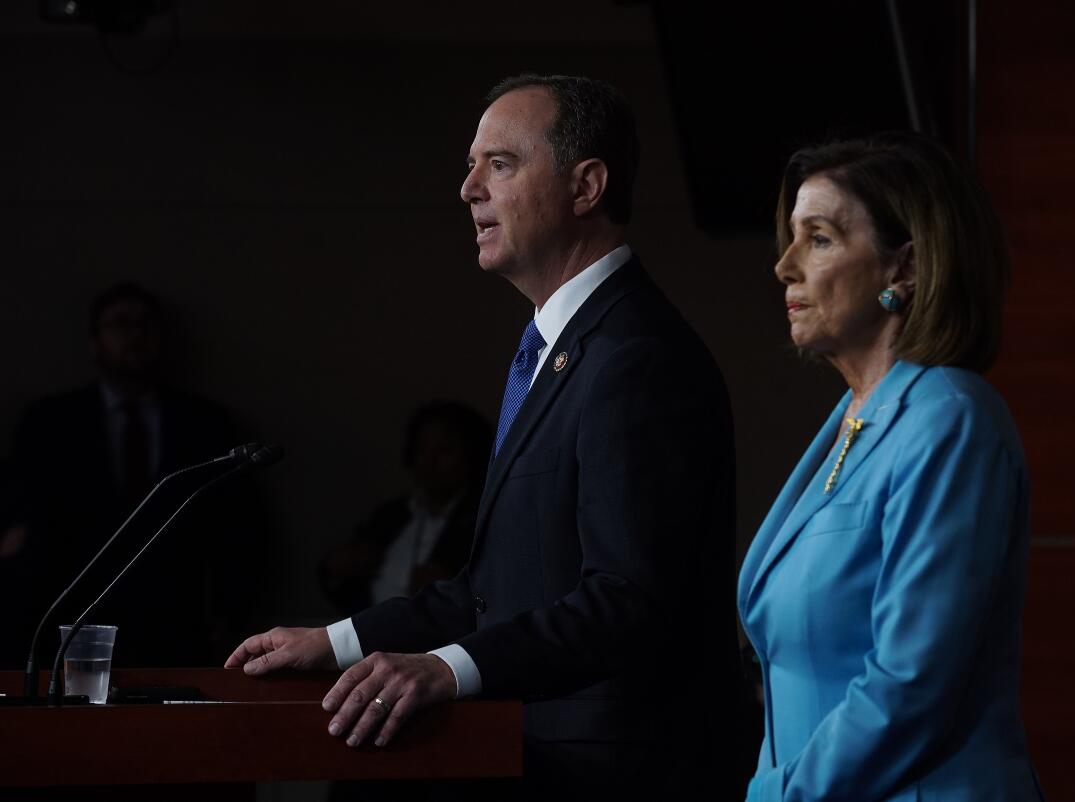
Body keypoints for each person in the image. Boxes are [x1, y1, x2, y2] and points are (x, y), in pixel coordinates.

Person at [226, 74, 741, 800]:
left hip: (622, 774)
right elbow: (490, 592)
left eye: (499, 164)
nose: (469, 188)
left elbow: (630, 597)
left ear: (585, 186)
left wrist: (447, 669)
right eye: (471, 166)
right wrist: (334, 642)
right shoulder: (558, 348)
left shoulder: (637, 356)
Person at [737, 132, 1045, 801]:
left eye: (817, 238)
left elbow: (911, 683)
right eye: (791, 238)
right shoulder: (854, 418)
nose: (785, 266)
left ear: (903, 268)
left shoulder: (951, 421)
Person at [7, 281, 267, 669]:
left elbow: (235, 525)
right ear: (95, 342)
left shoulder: (203, 421)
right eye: (120, 324)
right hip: (70, 614)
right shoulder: (50, 422)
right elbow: (25, 521)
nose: (135, 335)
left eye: (146, 325)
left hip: (176, 613)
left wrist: (230, 613)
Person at [318, 400, 490, 617]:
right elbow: (343, 586)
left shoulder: (481, 518)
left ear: (471, 455)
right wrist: (336, 567)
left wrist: (451, 589)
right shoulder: (391, 516)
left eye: (444, 450)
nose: (429, 460)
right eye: (421, 449)